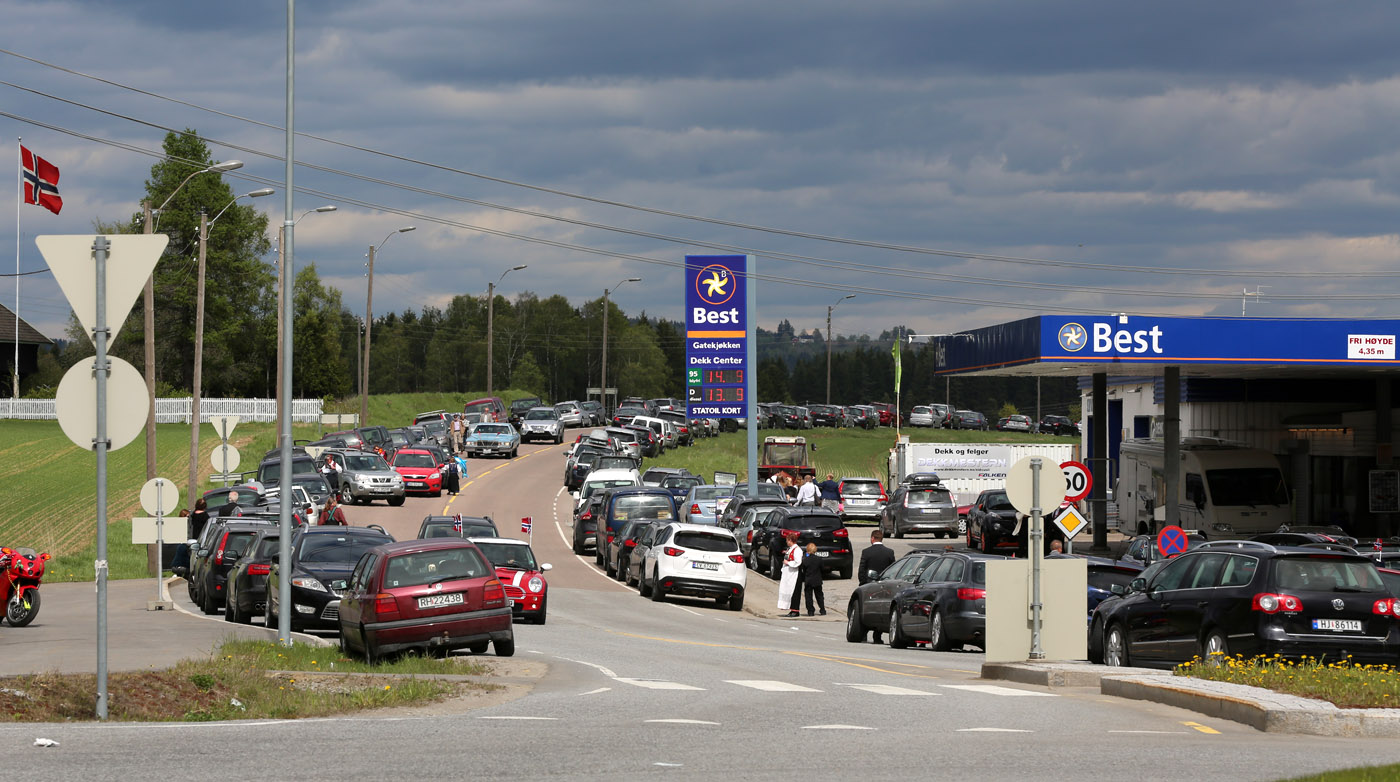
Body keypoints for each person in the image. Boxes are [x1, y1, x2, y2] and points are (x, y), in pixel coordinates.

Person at [776, 531, 802, 617]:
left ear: (790, 540)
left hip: (794, 574)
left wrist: (788, 563)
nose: (786, 542)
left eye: (787, 540)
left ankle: (795, 610)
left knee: (794, 592)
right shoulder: (790, 549)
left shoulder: (797, 550)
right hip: (789, 574)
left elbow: (798, 562)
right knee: (789, 591)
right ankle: (792, 609)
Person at [800, 542, 826, 616]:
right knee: (819, 595)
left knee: (808, 596)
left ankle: (810, 611)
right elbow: (822, 569)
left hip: (808, 580)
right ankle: (822, 609)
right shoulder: (819, 559)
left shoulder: (805, 560)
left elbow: (804, 570)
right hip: (817, 579)